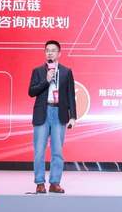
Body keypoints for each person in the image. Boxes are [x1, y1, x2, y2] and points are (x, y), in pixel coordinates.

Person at [28, 40, 77, 194]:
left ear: (59, 53)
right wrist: (46, 80)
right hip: (42, 112)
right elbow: (31, 92)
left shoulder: (66, 72)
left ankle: (55, 183)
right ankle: (40, 183)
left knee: (57, 151)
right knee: (39, 151)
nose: (50, 53)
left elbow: (70, 95)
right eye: (47, 50)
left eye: (53, 50)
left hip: (59, 113)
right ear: (45, 53)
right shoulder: (38, 71)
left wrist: (73, 116)